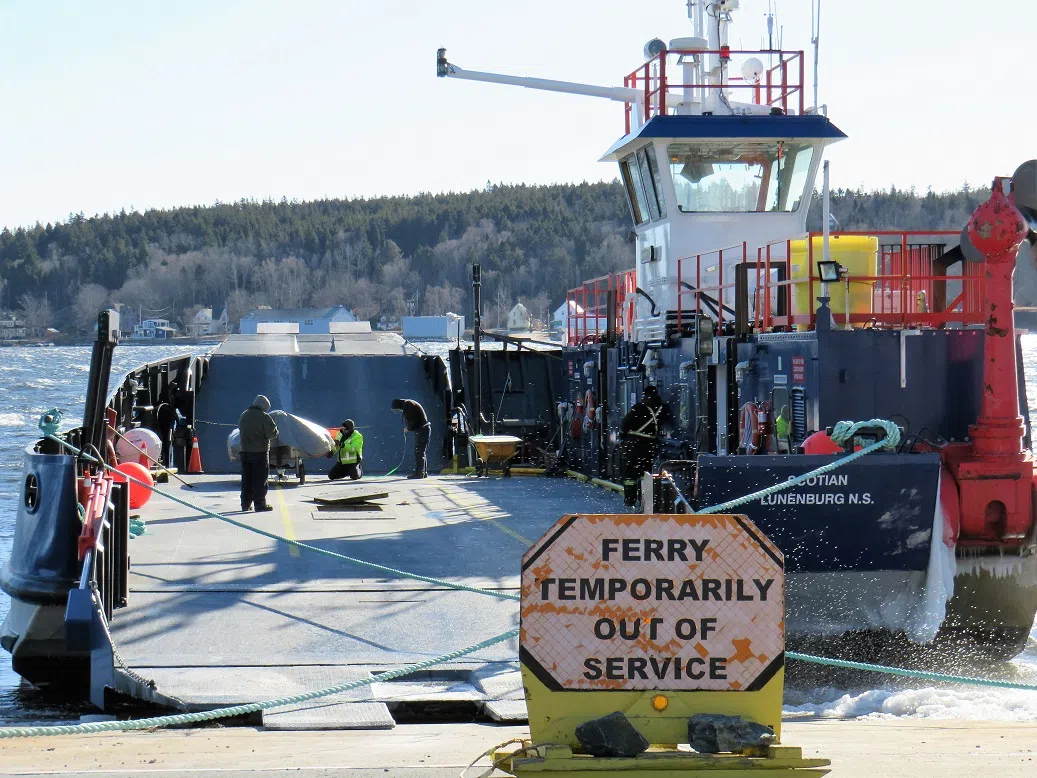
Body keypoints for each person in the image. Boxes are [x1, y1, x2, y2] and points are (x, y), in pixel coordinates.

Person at [620, 384, 672, 508]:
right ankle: (645, 498)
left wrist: (624, 437)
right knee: (646, 473)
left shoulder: (639, 407)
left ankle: (630, 499)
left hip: (633, 445)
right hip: (650, 446)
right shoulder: (663, 409)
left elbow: (624, 424)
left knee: (630, 474)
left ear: (644, 395)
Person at [238, 394, 279, 512]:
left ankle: (245, 504)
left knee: (247, 479)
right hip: (260, 452)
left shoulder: (244, 415)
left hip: (245, 452)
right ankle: (260, 504)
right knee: (260, 479)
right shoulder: (264, 417)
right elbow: (272, 434)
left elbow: (240, 429)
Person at [391, 398, 430, 479]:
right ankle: (423, 472)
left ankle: (419, 473)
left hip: (422, 429)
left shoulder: (408, 405)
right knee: (421, 451)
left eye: (397, 410)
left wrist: (408, 428)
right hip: (423, 429)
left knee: (419, 451)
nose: (399, 412)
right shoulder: (408, 404)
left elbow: (413, 420)